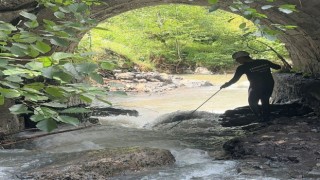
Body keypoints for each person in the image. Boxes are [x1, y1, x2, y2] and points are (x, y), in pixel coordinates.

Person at [220, 51, 281, 122]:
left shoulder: (242, 67)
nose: (237, 61)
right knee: (265, 100)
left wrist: (226, 85)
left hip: (256, 86)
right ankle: (266, 117)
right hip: (269, 84)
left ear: (242, 58)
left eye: (237, 59)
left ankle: (260, 117)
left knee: (252, 102)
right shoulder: (264, 61)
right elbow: (277, 67)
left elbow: (235, 79)